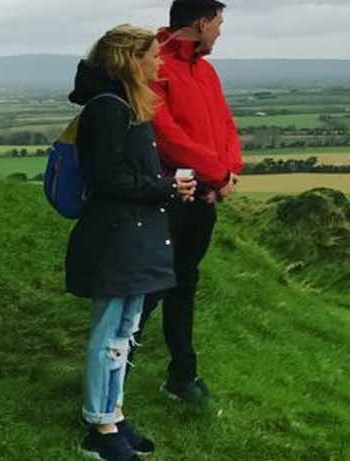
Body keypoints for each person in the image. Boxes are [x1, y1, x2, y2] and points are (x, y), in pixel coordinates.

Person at [66, 24, 197, 460]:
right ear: (131, 60)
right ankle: (99, 429)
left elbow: (128, 173)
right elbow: (107, 179)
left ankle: (113, 415)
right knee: (109, 334)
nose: (159, 62)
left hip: (132, 234)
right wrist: (165, 188)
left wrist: (163, 185)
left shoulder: (125, 104)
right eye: (152, 55)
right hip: (114, 236)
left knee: (125, 332)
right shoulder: (107, 108)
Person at [136, 0, 242, 403]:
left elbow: (226, 126)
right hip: (170, 196)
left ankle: (182, 375)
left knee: (184, 282)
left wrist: (229, 172)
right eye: (218, 24)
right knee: (150, 288)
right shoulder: (155, 66)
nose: (219, 32)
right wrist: (217, 175)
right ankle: (113, 376)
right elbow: (166, 136)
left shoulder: (207, 70)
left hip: (205, 197)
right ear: (201, 23)